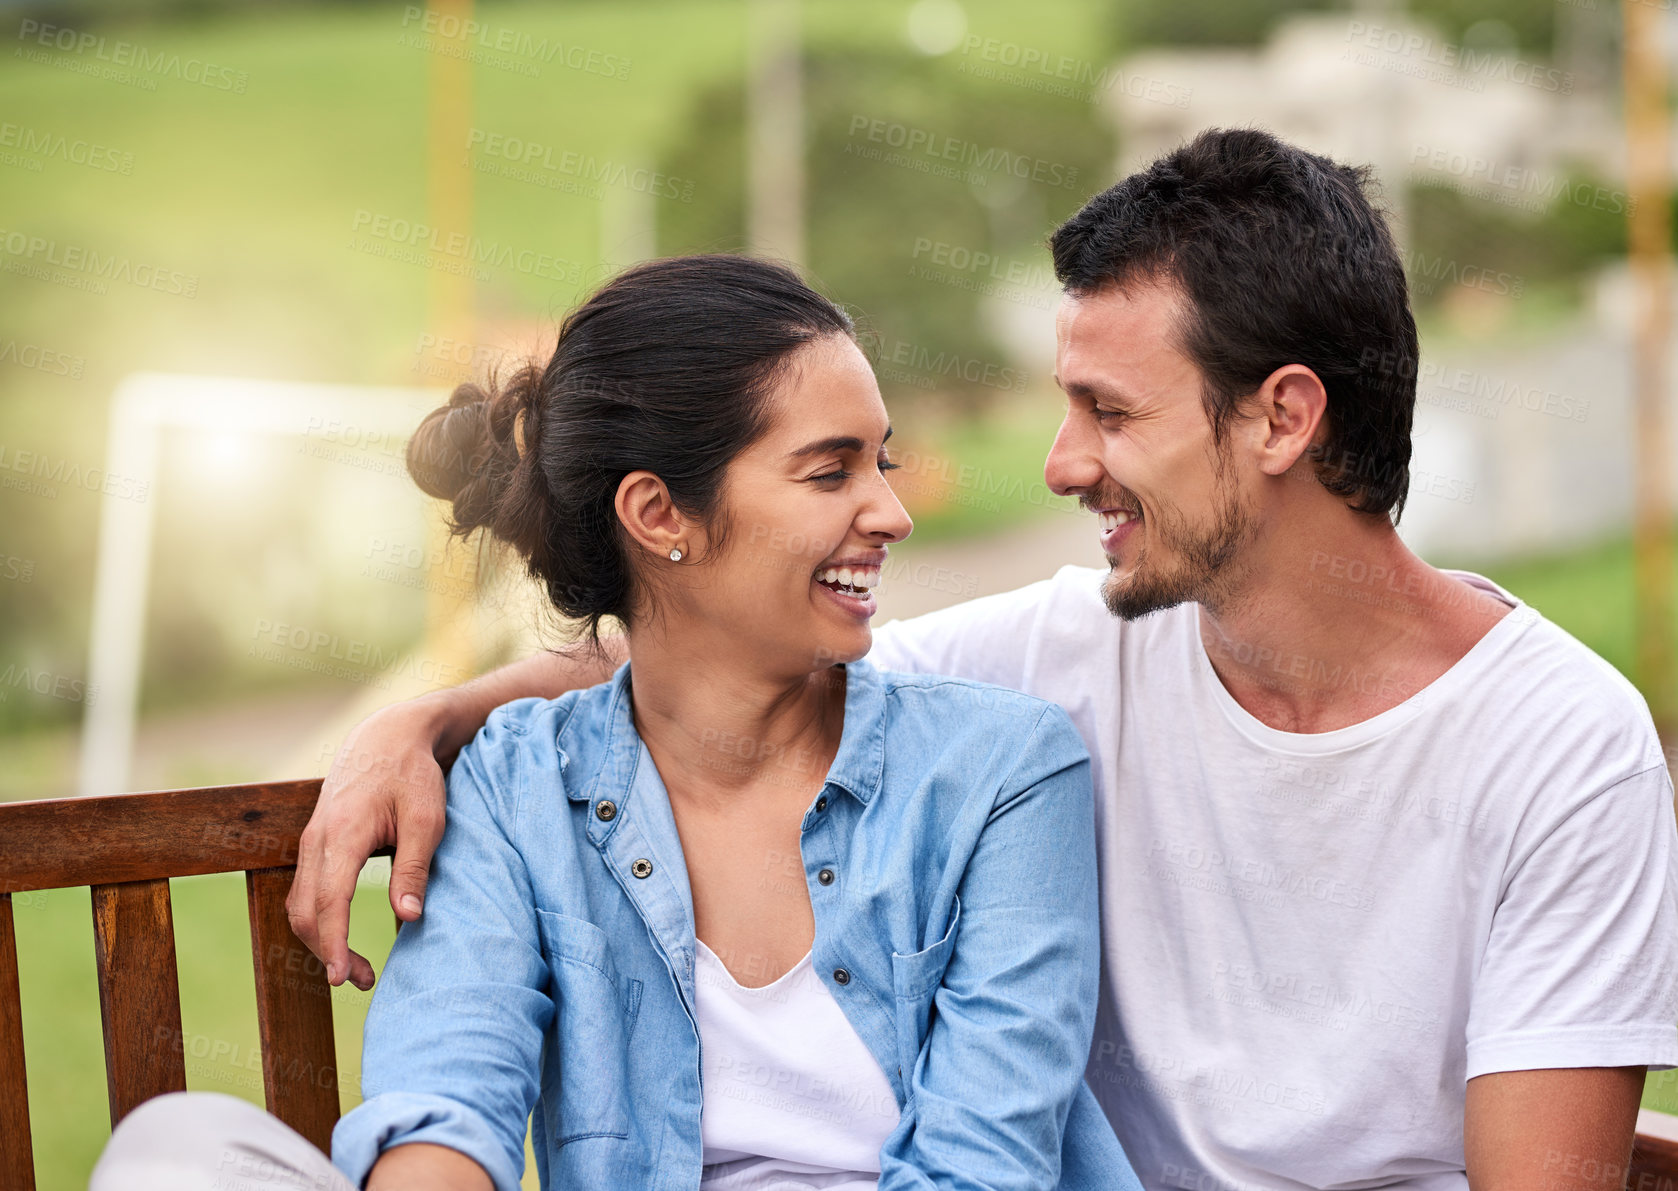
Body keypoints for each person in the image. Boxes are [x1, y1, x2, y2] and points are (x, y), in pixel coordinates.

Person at [289, 128, 1678, 1191]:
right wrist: (420, 720)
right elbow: (711, 676)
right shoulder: (1063, 655)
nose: (1062, 464)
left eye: (1106, 412)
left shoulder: (1555, 741)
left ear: (1279, 418)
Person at [93, 255, 1141, 1191]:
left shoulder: (1002, 770)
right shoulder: (518, 787)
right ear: (656, 516)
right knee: (176, 1149)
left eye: (882, 461)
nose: (890, 513)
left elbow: (980, 1164)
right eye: (831, 471)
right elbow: (450, 1090)